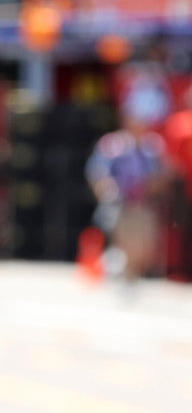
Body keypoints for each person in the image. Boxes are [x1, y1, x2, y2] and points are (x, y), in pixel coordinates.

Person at [86, 80, 172, 285]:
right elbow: (97, 172)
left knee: (146, 248)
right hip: (121, 204)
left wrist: (157, 184)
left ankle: (122, 269)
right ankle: (123, 273)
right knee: (126, 242)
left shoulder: (152, 146)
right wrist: (107, 191)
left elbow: (163, 174)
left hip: (143, 204)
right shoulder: (112, 145)